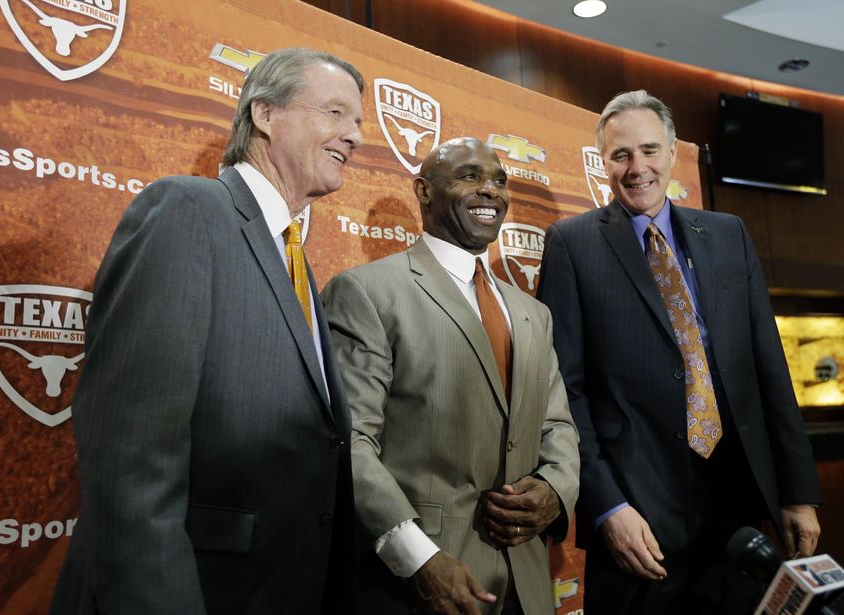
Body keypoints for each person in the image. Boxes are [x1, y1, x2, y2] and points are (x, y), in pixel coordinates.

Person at [50, 47, 365, 615]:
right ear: (265, 115)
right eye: (336, 113)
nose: (356, 136)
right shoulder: (187, 211)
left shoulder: (292, 256)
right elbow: (132, 463)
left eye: (359, 122)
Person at [536, 89, 822, 614]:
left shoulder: (728, 234)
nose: (637, 167)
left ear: (671, 153)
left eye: (649, 151)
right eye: (621, 155)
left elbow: (768, 370)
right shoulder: (572, 244)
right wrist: (607, 508)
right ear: (603, 161)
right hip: (637, 519)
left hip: (736, 507)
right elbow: (564, 392)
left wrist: (796, 490)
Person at [322, 137, 580, 615]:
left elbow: (556, 426)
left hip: (529, 582)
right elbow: (350, 442)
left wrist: (555, 492)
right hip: (421, 584)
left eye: (500, 181)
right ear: (423, 191)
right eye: (469, 176)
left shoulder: (533, 313)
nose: (490, 191)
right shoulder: (367, 293)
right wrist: (418, 558)